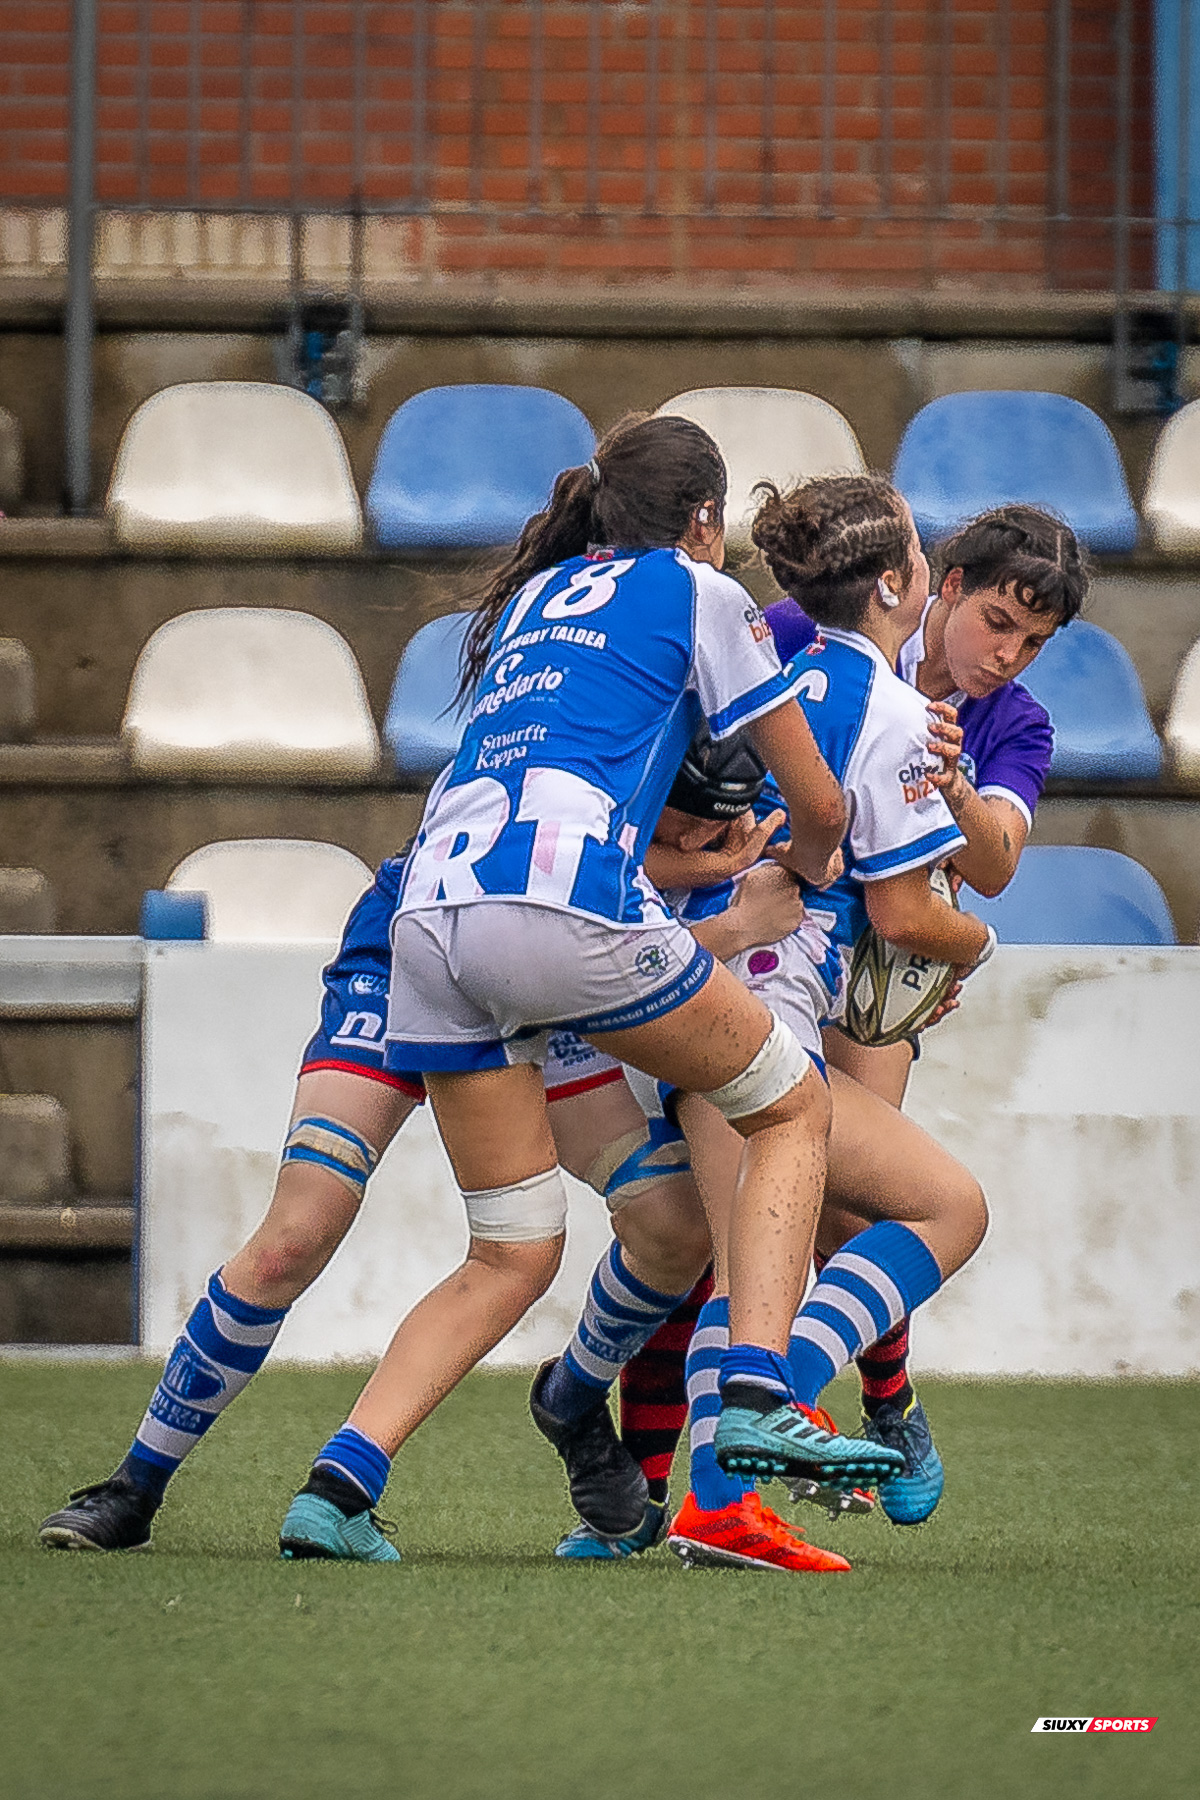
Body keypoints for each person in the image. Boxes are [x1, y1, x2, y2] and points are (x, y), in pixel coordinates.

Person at [271, 412, 910, 1562]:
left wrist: (694, 867)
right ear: (705, 520)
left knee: (514, 1248)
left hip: (430, 923)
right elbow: (818, 803)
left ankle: (338, 1489)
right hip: (564, 913)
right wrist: (806, 871)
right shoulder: (702, 591)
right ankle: (757, 1392)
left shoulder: (534, 599)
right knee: (789, 1106)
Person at [539, 473, 997, 1571]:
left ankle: (710, 1489)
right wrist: (974, 943)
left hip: (685, 992)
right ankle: (760, 1424)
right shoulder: (895, 714)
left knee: (744, 1260)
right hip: (759, 1019)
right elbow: (905, 913)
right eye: (920, 553)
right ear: (894, 584)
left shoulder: (768, 683)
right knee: (947, 1210)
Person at [37, 852, 719, 1552]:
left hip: (546, 950)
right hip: (434, 928)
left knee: (671, 1224)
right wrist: (726, 871)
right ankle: (136, 1486)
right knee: (296, 1239)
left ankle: (541, 1410)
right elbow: (609, 838)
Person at [759, 499, 1087, 1520]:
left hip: (876, 980)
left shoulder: (1015, 724)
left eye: (1033, 642)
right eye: (998, 622)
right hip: (775, 938)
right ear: (946, 586)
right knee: (784, 1199)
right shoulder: (823, 631)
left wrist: (950, 786)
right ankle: (827, 1406)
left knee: (852, 1204)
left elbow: (993, 866)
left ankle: (864, 1401)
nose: (1008, 656)